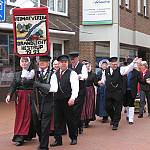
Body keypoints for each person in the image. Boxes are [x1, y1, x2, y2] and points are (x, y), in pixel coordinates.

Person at [99, 56, 142, 130]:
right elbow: (103, 79)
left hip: (118, 92)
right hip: (109, 92)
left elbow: (128, 68)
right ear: (110, 64)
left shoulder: (121, 70)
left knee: (118, 108)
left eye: (116, 64)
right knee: (107, 107)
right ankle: (113, 118)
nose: (114, 66)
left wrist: (133, 62)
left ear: (117, 64)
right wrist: (101, 82)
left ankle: (115, 123)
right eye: (113, 64)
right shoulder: (106, 71)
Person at [5, 57, 36, 146]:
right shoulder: (17, 74)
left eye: (26, 61)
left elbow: (35, 84)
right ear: (20, 63)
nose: (24, 63)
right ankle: (25, 134)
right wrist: (9, 95)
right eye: (22, 61)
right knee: (20, 116)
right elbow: (13, 85)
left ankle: (21, 137)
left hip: (29, 97)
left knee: (27, 115)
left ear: (29, 63)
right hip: (19, 98)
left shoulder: (33, 73)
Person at [50, 55, 79, 147]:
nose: (63, 64)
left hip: (68, 100)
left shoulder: (72, 73)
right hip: (57, 100)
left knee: (70, 120)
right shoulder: (54, 74)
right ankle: (58, 140)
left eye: (65, 62)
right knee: (57, 121)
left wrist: (73, 98)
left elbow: (75, 87)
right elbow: (53, 87)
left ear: (67, 63)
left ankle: (73, 138)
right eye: (61, 62)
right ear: (58, 63)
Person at [34, 55, 58, 150]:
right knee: (37, 124)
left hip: (47, 102)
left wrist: (40, 85)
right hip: (36, 102)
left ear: (48, 63)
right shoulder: (35, 73)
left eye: (44, 61)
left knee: (45, 125)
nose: (42, 63)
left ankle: (44, 146)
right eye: (40, 61)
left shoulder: (52, 74)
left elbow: (54, 88)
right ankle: (41, 141)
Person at [69, 51, 88, 134]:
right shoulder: (69, 66)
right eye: (71, 59)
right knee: (72, 111)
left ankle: (75, 128)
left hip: (80, 92)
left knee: (77, 110)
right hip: (71, 92)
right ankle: (79, 124)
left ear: (77, 58)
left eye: (74, 59)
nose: (72, 61)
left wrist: (78, 76)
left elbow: (85, 76)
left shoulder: (82, 66)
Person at [81, 61, 98, 127]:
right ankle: (82, 120)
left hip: (90, 91)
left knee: (89, 105)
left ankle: (87, 120)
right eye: (86, 66)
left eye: (88, 66)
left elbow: (96, 83)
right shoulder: (81, 74)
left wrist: (100, 83)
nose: (87, 67)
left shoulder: (93, 74)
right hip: (82, 90)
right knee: (82, 105)